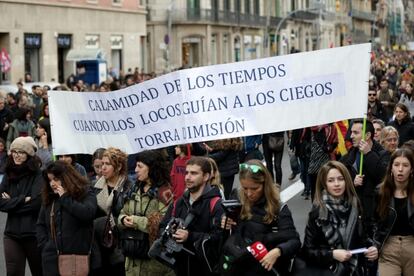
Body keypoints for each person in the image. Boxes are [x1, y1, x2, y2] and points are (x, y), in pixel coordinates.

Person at [221, 159, 301, 275]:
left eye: (254, 188)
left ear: (265, 184)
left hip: (264, 268)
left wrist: (278, 251)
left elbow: (294, 241)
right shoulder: (237, 196)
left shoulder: (278, 208)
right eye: (245, 188)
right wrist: (225, 220)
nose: (249, 193)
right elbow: (230, 225)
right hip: (238, 264)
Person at [302, 161, 378, 275]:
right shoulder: (318, 212)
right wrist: (332, 254)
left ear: (346, 181)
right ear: (324, 183)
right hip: (330, 271)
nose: (337, 184)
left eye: (340, 179)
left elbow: (363, 237)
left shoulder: (355, 205)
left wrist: (372, 248)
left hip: (355, 270)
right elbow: (307, 251)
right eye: (331, 180)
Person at [159, 156, 224, 276]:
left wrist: (190, 236)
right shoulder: (179, 202)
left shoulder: (216, 204)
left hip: (204, 269)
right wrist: (170, 232)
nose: (188, 177)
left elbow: (219, 239)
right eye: (186, 173)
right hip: (179, 267)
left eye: (193, 173)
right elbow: (162, 226)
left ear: (206, 177)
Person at [36, 161, 99, 276]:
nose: (52, 184)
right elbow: (40, 224)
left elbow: (88, 213)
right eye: (49, 180)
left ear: (66, 178)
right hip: (52, 260)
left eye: (55, 179)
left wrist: (65, 198)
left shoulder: (85, 193)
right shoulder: (49, 197)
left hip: (79, 258)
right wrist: (45, 245)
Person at [118, 150, 174, 276]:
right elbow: (123, 213)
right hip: (132, 259)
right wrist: (123, 220)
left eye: (140, 166)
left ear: (152, 167)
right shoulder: (133, 189)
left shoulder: (164, 192)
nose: (136, 170)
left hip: (154, 264)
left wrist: (135, 221)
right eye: (136, 165)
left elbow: (164, 224)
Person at [0, 137, 43, 276]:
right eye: (14, 151)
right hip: (11, 234)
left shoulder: (38, 175)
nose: (17, 155)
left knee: (39, 271)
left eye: (21, 152)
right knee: (13, 273)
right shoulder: (8, 173)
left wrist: (11, 202)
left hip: (34, 234)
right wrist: (23, 199)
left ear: (29, 155)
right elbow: (0, 203)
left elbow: (36, 203)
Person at [373, 148, 414, 275]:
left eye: (405, 165)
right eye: (396, 165)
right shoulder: (380, 192)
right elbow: (374, 221)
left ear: (412, 169)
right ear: (391, 168)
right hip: (388, 247)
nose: (400, 169)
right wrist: (375, 245)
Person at [93, 147, 132, 276]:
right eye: (102, 164)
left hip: (120, 244)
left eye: (107, 164)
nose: (102, 168)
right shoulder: (95, 187)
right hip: (100, 244)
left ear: (119, 166)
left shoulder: (129, 187)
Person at [340, 119, 388, 221]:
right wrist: (352, 183)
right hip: (354, 213)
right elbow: (339, 183)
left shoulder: (383, 154)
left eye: (355, 133)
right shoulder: (346, 158)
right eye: (351, 132)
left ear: (367, 135)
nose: (351, 136)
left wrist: (369, 154)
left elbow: (384, 177)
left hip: (375, 213)